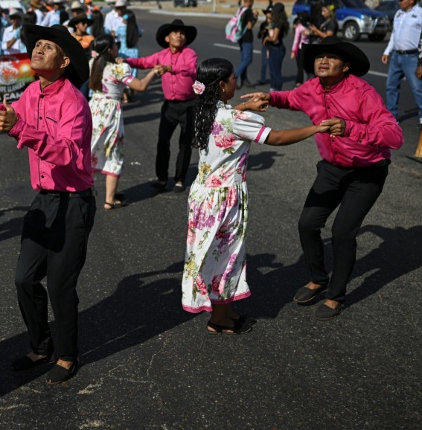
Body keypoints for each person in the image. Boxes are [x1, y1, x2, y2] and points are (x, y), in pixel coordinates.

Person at [243, 37, 404, 320]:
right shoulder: (312, 88)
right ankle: (319, 279)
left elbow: (394, 135)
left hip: (367, 171)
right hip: (331, 169)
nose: (323, 61)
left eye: (331, 57)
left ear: (346, 67)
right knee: (307, 224)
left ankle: (336, 295)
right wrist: (271, 97)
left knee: (342, 232)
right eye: (319, 57)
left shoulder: (362, 92)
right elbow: (292, 99)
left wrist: (350, 128)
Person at [0, 24, 94, 384]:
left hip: (73, 203)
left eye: (47, 46)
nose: (38, 49)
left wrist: (18, 130)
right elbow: (12, 114)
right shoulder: (31, 91)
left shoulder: (74, 101)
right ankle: (41, 347)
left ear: (65, 60)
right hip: (44, 201)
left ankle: (68, 354)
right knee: (23, 279)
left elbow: (70, 155)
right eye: (36, 45)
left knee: (60, 286)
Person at [184, 58, 328, 333]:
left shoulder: (206, 110)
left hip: (203, 195)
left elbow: (227, 116)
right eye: (234, 77)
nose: (237, 82)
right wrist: (316, 128)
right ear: (223, 84)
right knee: (227, 257)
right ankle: (219, 319)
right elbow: (275, 138)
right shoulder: (234, 118)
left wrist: (246, 106)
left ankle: (223, 310)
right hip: (224, 198)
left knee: (211, 254)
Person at [122, 19, 198, 192]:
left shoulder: (190, 54)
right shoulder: (161, 55)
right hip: (170, 106)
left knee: (185, 144)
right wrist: (125, 61)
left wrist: (171, 68)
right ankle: (162, 178)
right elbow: (143, 62)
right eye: (175, 33)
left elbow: (191, 69)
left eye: (182, 33)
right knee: (162, 142)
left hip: (189, 104)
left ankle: (180, 179)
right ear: (167, 38)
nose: (179, 36)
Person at [89, 34, 159, 210]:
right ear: (111, 49)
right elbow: (141, 86)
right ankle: (109, 200)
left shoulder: (93, 64)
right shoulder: (118, 69)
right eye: (115, 46)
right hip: (110, 111)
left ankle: (83, 191)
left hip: (94, 108)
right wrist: (153, 72)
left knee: (90, 148)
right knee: (113, 152)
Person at [382, 0, 422, 126]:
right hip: (397, 55)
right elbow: (394, 35)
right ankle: (391, 117)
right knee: (391, 86)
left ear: (412, 0)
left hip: (412, 56)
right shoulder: (398, 14)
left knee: (418, 88)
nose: (399, 2)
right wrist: (387, 51)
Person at [116, 10, 142, 103]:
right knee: (133, 73)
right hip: (134, 53)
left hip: (123, 52)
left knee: (123, 73)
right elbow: (140, 34)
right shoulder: (136, 28)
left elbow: (115, 35)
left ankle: (125, 96)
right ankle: (132, 95)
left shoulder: (120, 29)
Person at [233, 0, 258, 88]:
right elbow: (250, 26)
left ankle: (244, 79)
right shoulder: (248, 11)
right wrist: (255, 18)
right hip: (247, 38)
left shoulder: (240, 10)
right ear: (250, 1)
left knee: (243, 59)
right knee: (248, 59)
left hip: (240, 36)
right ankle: (234, 76)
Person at [263, 2, 288, 92]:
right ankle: (273, 90)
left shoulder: (278, 24)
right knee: (272, 72)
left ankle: (277, 91)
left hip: (277, 49)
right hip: (274, 49)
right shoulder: (278, 22)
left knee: (276, 72)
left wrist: (267, 38)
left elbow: (274, 38)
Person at [291, 12, 311, 87]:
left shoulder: (299, 28)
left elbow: (296, 40)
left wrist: (293, 51)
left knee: (300, 66)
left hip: (300, 48)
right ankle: (299, 80)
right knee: (302, 66)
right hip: (306, 47)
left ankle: (300, 81)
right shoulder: (308, 27)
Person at [255, 6, 271, 86]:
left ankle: (274, 78)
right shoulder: (264, 24)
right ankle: (263, 78)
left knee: (272, 63)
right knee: (264, 62)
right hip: (265, 45)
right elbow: (258, 36)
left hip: (273, 46)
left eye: (271, 13)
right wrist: (262, 31)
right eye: (268, 13)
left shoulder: (275, 24)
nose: (269, 15)